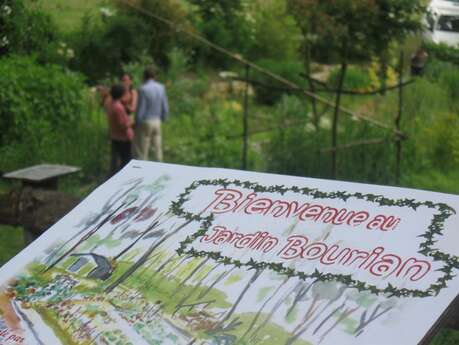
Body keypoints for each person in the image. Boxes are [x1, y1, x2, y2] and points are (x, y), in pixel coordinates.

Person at [133, 65, 169, 162]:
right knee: (158, 148)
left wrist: (137, 122)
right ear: (155, 76)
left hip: (146, 121)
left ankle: (143, 168)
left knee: (142, 149)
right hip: (157, 120)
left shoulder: (143, 89)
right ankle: (160, 165)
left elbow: (141, 108)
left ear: (144, 76)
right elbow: (164, 105)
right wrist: (164, 117)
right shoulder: (161, 87)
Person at [108, 84, 134, 173]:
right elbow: (122, 125)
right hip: (123, 138)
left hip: (115, 136)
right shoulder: (119, 107)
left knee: (120, 159)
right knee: (126, 161)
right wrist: (131, 123)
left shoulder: (111, 104)